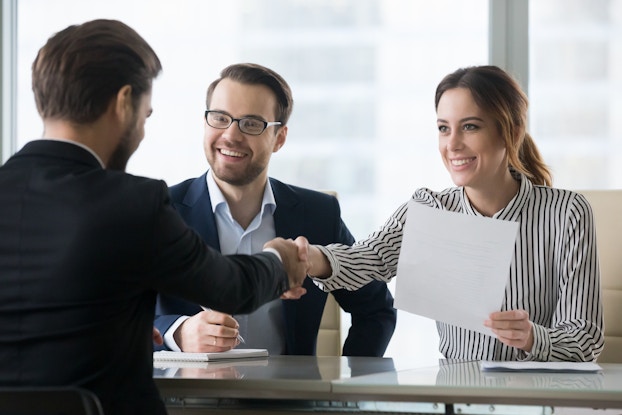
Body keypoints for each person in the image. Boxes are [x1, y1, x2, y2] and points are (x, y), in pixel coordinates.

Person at [0, 19, 307, 415]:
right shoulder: (133, 203)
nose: (142, 129)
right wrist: (280, 261)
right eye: (145, 114)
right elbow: (231, 288)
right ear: (123, 102)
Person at [303, 65, 604, 362]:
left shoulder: (566, 213)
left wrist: (532, 337)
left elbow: (585, 338)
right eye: (444, 128)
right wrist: (308, 258)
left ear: (511, 132)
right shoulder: (431, 209)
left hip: (534, 400)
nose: (452, 144)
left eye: (470, 126)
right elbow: (370, 258)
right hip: (454, 395)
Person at [154, 63, 396, 357]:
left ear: (279, 138)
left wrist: (349, 392)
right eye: (220, 118)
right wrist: (177, 332)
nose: (230, 135)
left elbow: (376, 309)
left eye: (251, 123)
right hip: (187, 401)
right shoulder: (158, 210)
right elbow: (107, 318)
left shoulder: (318, 214)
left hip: (287, 400)